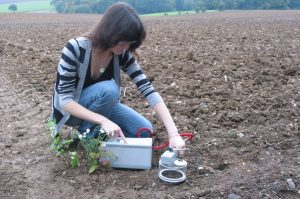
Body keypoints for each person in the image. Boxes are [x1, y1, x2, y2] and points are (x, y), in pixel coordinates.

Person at [51, 2, 185, 149]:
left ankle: (100, 135)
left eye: (130, 43)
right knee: (110, 90)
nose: (126, 47)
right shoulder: (75, 48)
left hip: (103, 104)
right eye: (123, 42)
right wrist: (103, 120)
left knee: (144, 132)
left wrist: (174, 134)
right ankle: (87, 137)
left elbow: (148, 89)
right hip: (73, 111)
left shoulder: (122, 53)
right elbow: (65, 102)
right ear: (110, 32)